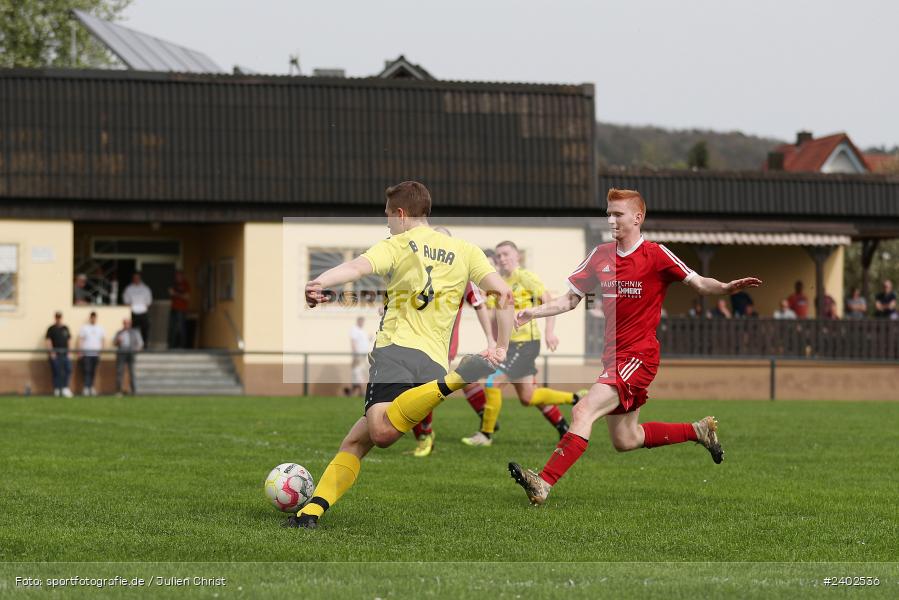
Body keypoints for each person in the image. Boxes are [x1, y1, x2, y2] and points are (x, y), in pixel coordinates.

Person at [508, 188, 761, 506]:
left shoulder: (656, 255)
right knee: (626, 439)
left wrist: (724, 288)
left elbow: (697, 282)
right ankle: (698, 431)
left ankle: (543, 483)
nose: (610, 219)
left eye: (618, 214)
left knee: (583, 409)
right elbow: (570, 299)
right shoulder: (600, 255)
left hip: (639, 356)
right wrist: (533, 311)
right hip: (613, 358)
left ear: (638, 218)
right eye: (608, 213)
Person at [284, 181, 513, 529]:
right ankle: (311, 512)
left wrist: (319, 282)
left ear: (402, 215)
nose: (387, 223)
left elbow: (356, 267)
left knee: (381, 432)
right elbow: (505, 293)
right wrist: (502, 346)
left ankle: (458, 378)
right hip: (433, 361)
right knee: (356, 440)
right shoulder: (465, 249)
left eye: (388, 216)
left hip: (395, 348)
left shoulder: (398, 243)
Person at [461, 240, 578, 447]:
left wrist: (550, 332)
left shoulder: (524, 276)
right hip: (511, 346)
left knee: (491, 383)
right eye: (499, 256)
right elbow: (494, 317)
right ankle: (576, 398)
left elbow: (549, 300)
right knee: (528, 397)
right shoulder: (497, 283)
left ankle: (485, 435)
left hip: (526, 344)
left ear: (518, 256)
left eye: (506, 254)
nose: (502, 259)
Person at [410, 226, 497, 458]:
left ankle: (425, 435)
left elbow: (479, 304)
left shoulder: (460, 274)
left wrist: (490, 339)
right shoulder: (420, 270)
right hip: (412, 340)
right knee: (410, 388)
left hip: (442, 344)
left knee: (422, 388)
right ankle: (481, 411)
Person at [77, 311, 105, 396]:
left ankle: (91, 387)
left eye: (94, 317)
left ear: (96, 318)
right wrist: (80, 351)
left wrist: (101, 351)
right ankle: (86, 387)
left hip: (96, 354)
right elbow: (80, 340)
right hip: (86, 354)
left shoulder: (100, 328)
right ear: (90, 318)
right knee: (86, 371)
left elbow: (102, 340)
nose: (93, 319)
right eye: (92, 317)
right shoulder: (85, 328)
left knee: (93, 371)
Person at [45, 311, 73, 397]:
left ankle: (65, 388)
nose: (58, 319)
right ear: (55, 318)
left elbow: (69, 340)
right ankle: (57, 389)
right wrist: (52, 352)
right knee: (56, 371)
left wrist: (69, 352)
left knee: (67, 370)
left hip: (65, 353)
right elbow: (48, 341)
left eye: (60, 317)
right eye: (57, 317)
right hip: (55, 354)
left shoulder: (65, 328)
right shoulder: (51, 329)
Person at [114, 318, 144, 396]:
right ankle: (119, 391)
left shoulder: (135, 332)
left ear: (130, 324)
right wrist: (118, 341)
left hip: (131, 353)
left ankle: (134, 391)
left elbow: (140, 343)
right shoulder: (119, 332)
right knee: (120, 372)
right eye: (125, 323)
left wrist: (137, 349)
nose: (126, 325)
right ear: (123, 324)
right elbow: (114, 342)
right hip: (121, 353)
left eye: (128, 323)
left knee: (132, 372)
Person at [123, 272, 152, 346]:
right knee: (132, 330)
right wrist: (132, 308)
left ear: (140, 278)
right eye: (134, 278)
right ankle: (133, 345)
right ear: (133, 279)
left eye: (137, 277)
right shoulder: (129, 288)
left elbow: (149, 302)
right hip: (133, 312)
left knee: (145, 330)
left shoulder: (145, 288)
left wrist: (143, 308)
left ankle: (144, 346)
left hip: (143, 312)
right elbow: (126, 301)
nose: (136, 279)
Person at [347, 317, 372, 397]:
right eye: (361, 321)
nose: (362, 323)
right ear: (358, 321)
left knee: (359, 374)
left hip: (363, 356)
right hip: (358, 356)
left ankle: (352, 392)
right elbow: (353, 343)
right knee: (358, 373)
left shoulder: (362, 331)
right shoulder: (355, 330)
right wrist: (356, 355)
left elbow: (363, 342)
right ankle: (362, 392)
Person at [167, 270, 191, 348]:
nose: (177, 277)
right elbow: (170, 294)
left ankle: (183, 346)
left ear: (182, 276)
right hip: (173, 309)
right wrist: (172, 293)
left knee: (181, 328)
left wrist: (175, 294)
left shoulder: (185, 284)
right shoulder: (174, 284)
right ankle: (172, 345)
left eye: (179, 276)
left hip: (182, 309)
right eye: (176, 276)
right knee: (172, 328)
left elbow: (187, 297)